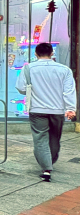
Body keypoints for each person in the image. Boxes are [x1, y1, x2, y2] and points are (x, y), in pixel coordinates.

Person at [17, 41, 78, 182]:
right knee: (54, 137)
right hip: (57, 110)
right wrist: (70, 109)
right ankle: (50, 162)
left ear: (36, 54)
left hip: (37, 109)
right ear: (52, 53)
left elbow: (21, 88)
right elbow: (68, 91)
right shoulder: (64, 70)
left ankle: (46, 168)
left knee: (40, 138)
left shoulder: (28, 69)